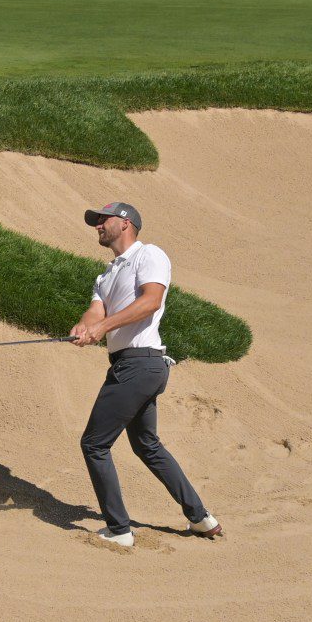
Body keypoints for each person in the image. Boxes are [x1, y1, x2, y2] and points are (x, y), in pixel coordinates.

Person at [70, 202, 223, 548]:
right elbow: (96, 311)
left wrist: (103, 327)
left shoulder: (149, 255)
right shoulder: (106, 274)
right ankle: (201, 519)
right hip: (133, 365)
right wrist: (84, 326)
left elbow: (151, 301)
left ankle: (120, 529)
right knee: (147, 445)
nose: (97, 226)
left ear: (125, 224)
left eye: (102, 220)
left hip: (140, 363)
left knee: (94, 444)